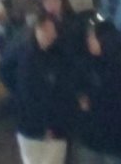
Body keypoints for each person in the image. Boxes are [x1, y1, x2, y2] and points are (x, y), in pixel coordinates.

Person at [74, 17, 121, 164]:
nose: (89, 40)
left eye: (93, 37)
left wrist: (93, 101)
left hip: (117, 142)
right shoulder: (87, 63)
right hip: (91, 139)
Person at [10, 11, 80, 164]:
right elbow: (29, 96)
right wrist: (42, 126)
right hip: (32, 128)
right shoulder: (25, 57)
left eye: (53, 30)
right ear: (36, 30)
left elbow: (63, 91)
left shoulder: (59, 56)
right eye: (46, 29)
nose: (51, 35)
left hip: (53, 128)